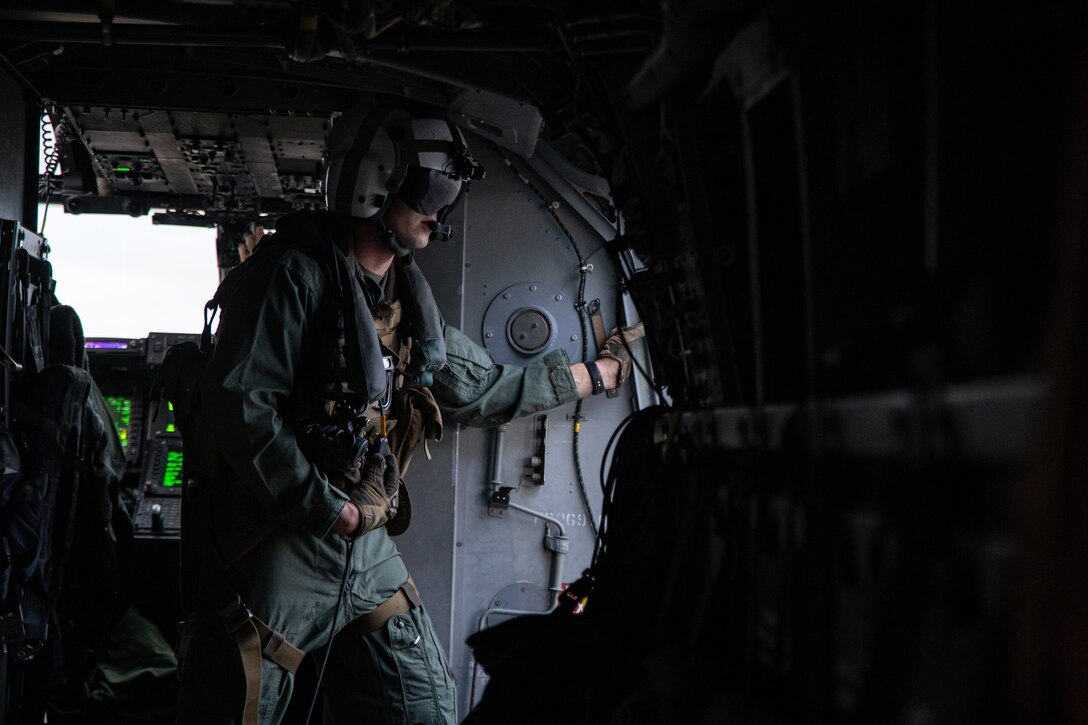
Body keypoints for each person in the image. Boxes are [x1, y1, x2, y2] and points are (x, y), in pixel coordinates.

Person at [174, 101, 639, 725]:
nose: (442, 206)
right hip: (277, 542)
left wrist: (597, 375)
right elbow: (242, 407)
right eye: (432, 187)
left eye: (450, 188)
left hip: (362, 548)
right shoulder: (291, 277)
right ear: (374, 185)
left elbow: (479, 387)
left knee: (421, 706)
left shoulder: (402, 306)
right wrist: (327, 507)